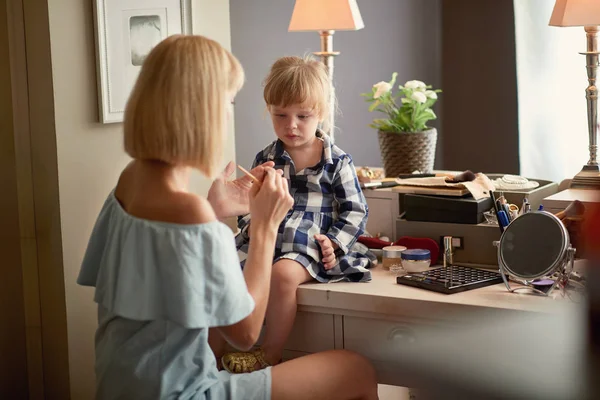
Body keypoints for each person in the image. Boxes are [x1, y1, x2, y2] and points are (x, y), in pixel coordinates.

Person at [76, 35, 378, 400]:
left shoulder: (128, 181)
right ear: (202, 113)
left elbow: (155, 276)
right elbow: (246, 332)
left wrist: (216, 210)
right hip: (183, 391)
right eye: (228, 102)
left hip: (119, 386)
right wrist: (265, 226)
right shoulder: (191, 213)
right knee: (356, 370)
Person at [223, 56, 375, 374]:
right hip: (268, 237)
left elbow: (356, 211)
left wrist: (333, 243)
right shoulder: (267, 157)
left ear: (321, 113)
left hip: (311, 244)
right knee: (223, 268)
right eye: (281, 115)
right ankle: (221, 350)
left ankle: (272, 352)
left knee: (283, 275)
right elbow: (252, 203)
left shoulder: (337, 161)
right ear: (269, 111)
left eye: (303, 116)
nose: (291, 125)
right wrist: (250, 225)